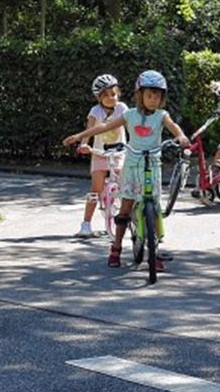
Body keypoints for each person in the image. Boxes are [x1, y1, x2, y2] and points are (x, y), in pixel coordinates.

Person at [63, 70, 189, 269]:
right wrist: (80, 136)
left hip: (152, 165)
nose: (153, 100)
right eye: (149, 95)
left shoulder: (162, 115)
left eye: (157, 96)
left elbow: (174, 127)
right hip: (132, 164)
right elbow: (102, 128)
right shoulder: (129, 115)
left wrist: (181, 137)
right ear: (140, 95)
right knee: (126, 206)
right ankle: (116, 247)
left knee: (154, 207)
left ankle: (154, 252)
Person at [73, 74, 128, 237]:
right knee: (96, 189)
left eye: (114, 94)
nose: (112, 98)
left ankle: (127, 219)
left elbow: (130, 126)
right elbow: (89, 129)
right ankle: (86, 224)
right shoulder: (95, 111)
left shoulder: (122, 108)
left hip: (119, 152)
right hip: (99, 153)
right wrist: (84, 144)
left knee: (125, 185)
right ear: (99, 98)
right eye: (107, 95)